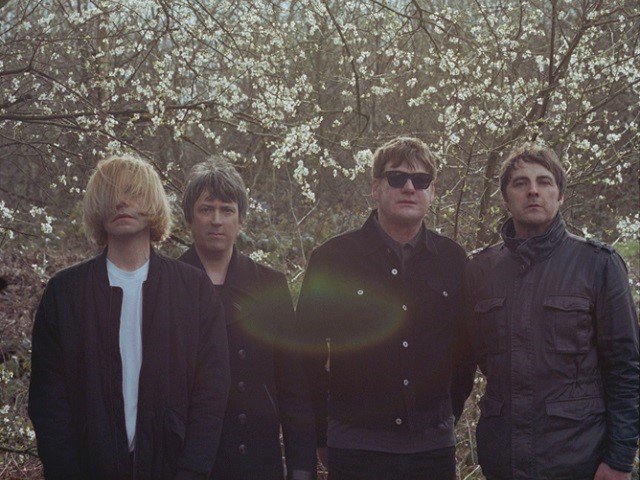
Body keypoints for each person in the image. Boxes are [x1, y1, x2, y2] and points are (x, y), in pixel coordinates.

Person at [28, 155, 230, 480]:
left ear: (153, 202)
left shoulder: (192, 289)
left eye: (133, 191)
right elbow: (48, 400)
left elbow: (211, 393)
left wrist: (191, 471)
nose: (121, 202)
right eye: (110, 195)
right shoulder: (65, 293)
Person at [296, 137, 475, 480]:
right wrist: (321, 433)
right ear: (376, 188)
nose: (409, 187)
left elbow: (466, 351)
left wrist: (444, 413)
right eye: (396, 178)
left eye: (420, 181)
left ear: (433, 192)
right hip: (355, 447)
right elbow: (308, 356)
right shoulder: (332, 260)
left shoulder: (454, 261)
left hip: (432, 450)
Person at [465, 143, 639, 480]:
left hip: (579, 458)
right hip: (503, 459)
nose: (533, 190)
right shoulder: (481, 270)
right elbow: (477, 359)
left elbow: (625, 368)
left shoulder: (598, 265)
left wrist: (619, 458)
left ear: (560, 196)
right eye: (520, 183)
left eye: (545, 182)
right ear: (505, 198)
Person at [178, 158, 317, 480]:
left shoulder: (269, 285)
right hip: (186, 463)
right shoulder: (165, 285)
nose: (216, 220)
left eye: (227, 210)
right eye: (206, 209)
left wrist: (301, 467)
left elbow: (293, 385)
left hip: (256, 459)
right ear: (188, 217)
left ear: (241, 220)